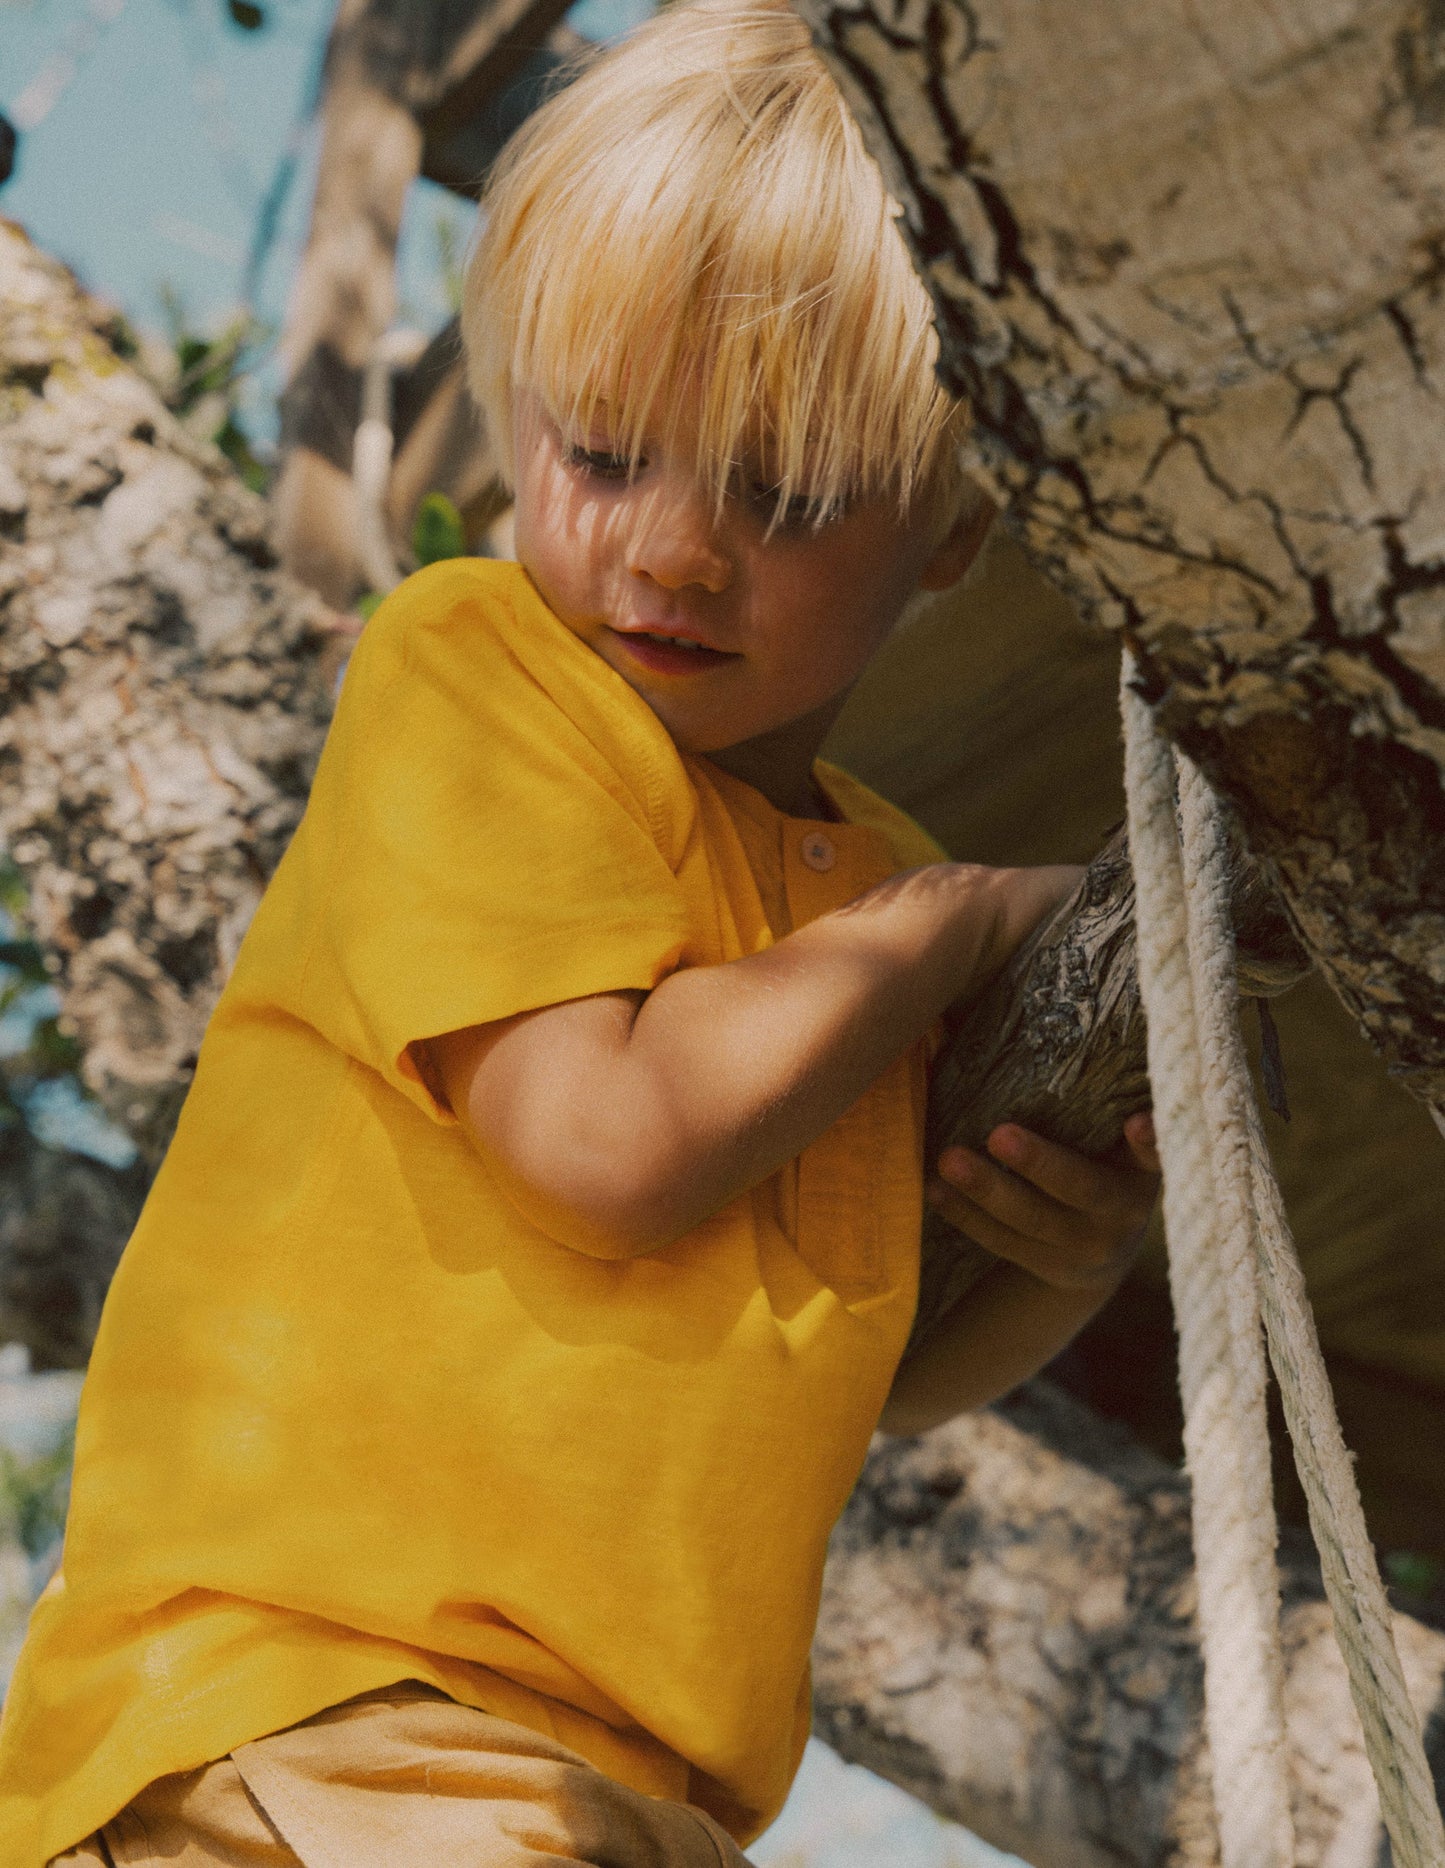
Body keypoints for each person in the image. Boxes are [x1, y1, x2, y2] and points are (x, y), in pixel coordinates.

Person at [0, 2, 1159, 1862]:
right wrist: (945, 928)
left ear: (952, 526)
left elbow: (893, 1369)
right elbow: (606, 1147)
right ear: (525, 411)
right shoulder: (475, 681)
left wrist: (1080, 1248)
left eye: (778, 492)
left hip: (616, 1789)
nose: (674, 552)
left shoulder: (860, 895)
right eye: (609, 456)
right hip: (315, 1720)